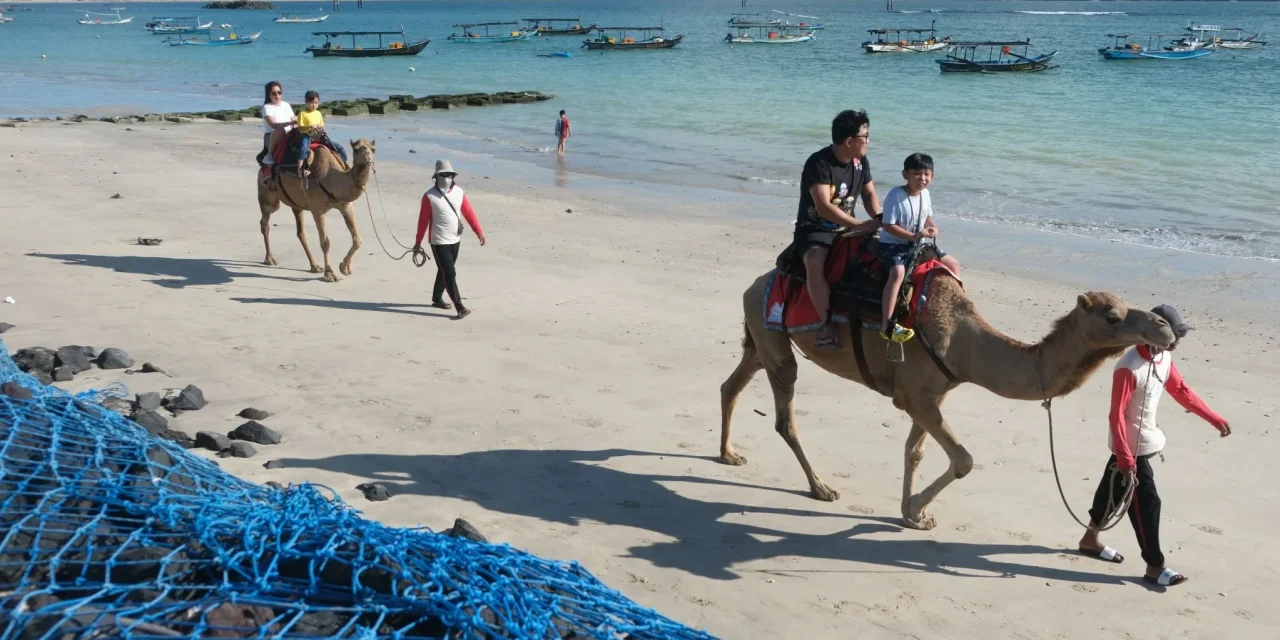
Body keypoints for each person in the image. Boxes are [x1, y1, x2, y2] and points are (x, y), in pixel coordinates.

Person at [1077, 304, 1231, 587]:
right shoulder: (1128, 367)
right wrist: (1125, 457)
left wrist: (1214, 418)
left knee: (1111, 492)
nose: (1178, 340)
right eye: (1175, 334)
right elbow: (1116, 415)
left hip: (1141, 444)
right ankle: (1154, 566)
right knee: (1146, 505)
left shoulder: (1163, 358)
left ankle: (1089, 539)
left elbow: (1181, 390)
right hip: (1131, 450)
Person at [793, 110, 881, 349]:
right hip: (816, 229)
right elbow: (823, 207)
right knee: (814, 260)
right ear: (849, 140)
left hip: (848, 227)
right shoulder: (819, 163)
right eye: (865, 136)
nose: (868, 141)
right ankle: (825, 324)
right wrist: (859, 224)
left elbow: (869, 195)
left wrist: (879, 218)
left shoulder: (860, 161)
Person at [875, 153, 961, 343]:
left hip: (918, 243)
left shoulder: (925, 194)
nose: (922, 178)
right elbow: (888, 225)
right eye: (916, 174)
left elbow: (927, 217)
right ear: (905, 174)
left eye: (926, 174)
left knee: (953, 264)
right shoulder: (896, 195)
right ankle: (887, 324)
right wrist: (912, 236)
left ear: (932, 176)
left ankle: (956, 309)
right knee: (897, 273)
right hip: (894, 244)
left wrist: (933, 228)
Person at [413, 160, 486, 319]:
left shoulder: (459, 192)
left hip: (455, 239)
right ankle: (460, 307)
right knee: (450, 273)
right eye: (443, 175)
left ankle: (436, 298)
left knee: (444, 269)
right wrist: (418, 243)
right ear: (436, 177)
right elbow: (423, 221)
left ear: (453, 176)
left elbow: (468, 212)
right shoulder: (429, 196)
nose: (447, 178)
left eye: (449, 175)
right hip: (438, 241)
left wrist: (478, 231)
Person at [295, 90, 347, 177]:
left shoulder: (318, 113)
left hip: (319, 136)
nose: (313, 105)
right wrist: (310, 127)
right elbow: (300, 128)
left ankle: (345, 165)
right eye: (311, 102)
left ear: (318, 102)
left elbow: (322, 126)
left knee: (339, 148)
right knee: (303, 147)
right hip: (307, 135)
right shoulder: (302, 113)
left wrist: (321, 130)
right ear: (306, 102)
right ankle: (300, 168)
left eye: (316, 103)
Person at [257, 81, 295, 166]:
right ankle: (269, 155)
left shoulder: (286, 105)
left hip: (289, 133)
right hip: (273, 135)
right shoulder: (267, 107)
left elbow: (293, 119)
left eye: (279, 92)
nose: (277, 95)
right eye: (273, 93)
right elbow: (273, 125)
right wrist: (289, 123)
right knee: (280, 129)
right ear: (269, 95)